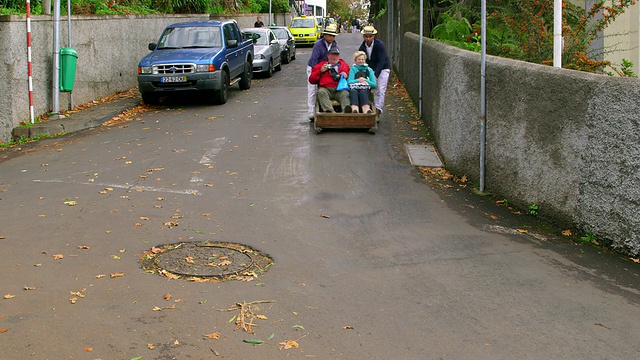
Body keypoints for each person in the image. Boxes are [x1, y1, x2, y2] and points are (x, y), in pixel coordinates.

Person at [306, 24, 339, 119]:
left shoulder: (335, 45)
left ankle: (324, 107)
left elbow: (336, 58)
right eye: (329, 35)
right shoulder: (318, 45)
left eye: (333, 36)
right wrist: (318, 71)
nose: (331, 37)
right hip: (314, 67)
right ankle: (311, 112)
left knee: (326, 86)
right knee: (312, 90)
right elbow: (315, 59)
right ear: (325, 35)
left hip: (327, 68)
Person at [358, 25, 390, 114]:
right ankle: (372, 107)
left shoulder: (380, 45)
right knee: (371, 89)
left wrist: (376, 75)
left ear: (374, 36)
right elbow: (361, 60)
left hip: (383, 68)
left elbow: (381, 61)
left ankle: (378, 110)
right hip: (371, 69)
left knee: (380, 89)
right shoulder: (362, 47)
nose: (368, 39)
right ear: (363, 36)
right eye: (366, 36)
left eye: (370, 36)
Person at [308, 48, 351, 113]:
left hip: (339, 89)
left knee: (345, 93)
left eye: (336, 55)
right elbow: (311, 80)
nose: (334, 57)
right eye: (332, 55)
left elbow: (351, 78)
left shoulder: (344, 65)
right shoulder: (321, 65)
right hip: (326, 89)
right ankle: (329, 111)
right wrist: (320, 71)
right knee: (321, 92)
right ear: (328, 56)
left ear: (338, 56)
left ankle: (346, 111)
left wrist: (346, 76)